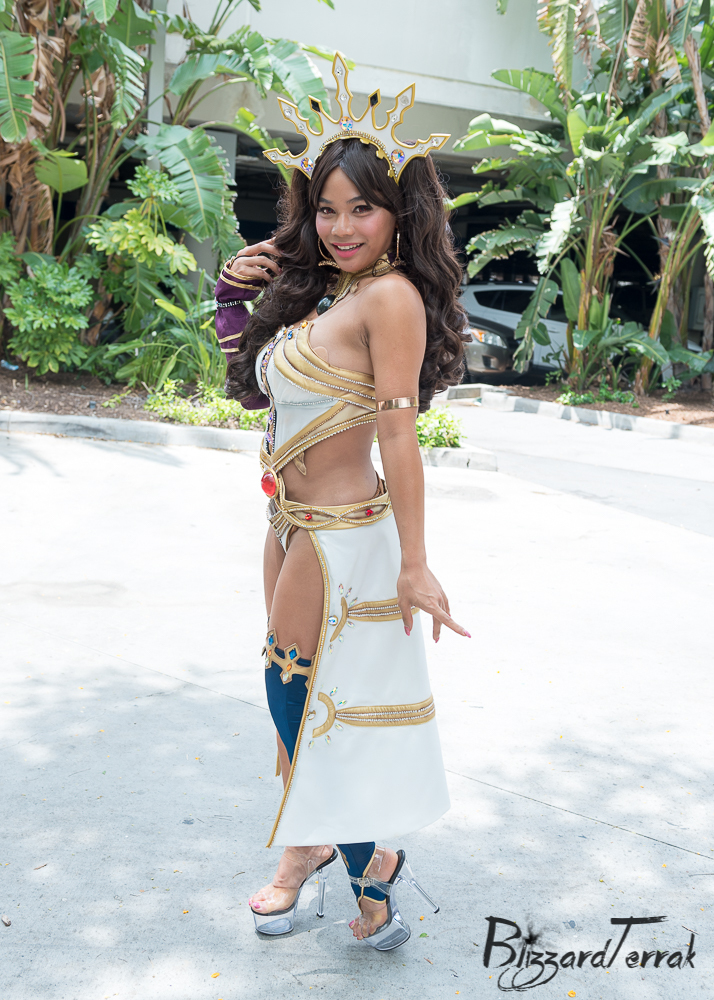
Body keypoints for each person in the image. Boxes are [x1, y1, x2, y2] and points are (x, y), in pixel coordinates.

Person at [214, 54, 470, 952]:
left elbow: (399, 437)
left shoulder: (390, 298)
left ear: (400, 213)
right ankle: (334, 850)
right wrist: (233, 296)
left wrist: (416, 561)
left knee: (294, 697)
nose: (341, 226)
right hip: (288, 528)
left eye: (363, 208)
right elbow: (256, 390)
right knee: (302, 693)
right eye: (326, 208)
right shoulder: (329, 292)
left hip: (338, 536)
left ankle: (355, 867)